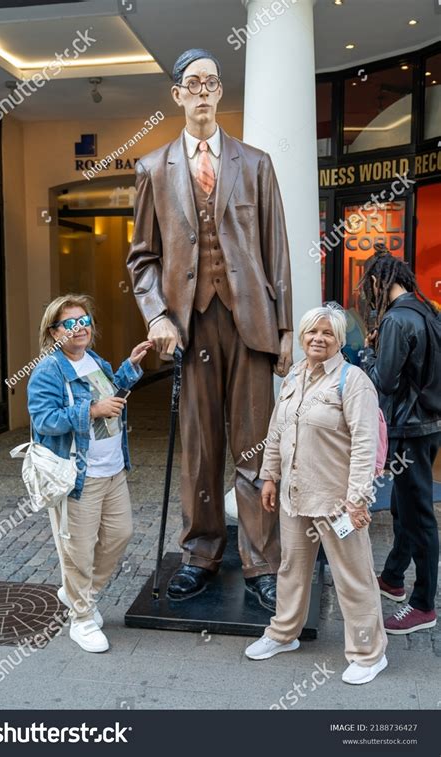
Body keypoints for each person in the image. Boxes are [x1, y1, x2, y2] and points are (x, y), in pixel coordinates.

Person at [127, 48, 293, 610]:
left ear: (221, 93)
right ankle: (200, 554)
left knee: (255, 448)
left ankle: (262, 562)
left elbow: (278, 252)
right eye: (192, 83)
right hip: (189, 325)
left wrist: (287, 328)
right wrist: (156, 315)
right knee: (200, 449)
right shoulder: (152, 168)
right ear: (176, 95)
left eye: (211, 82)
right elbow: (142, 259)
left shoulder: (256, 163)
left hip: (251, 324)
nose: (202, 91)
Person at [245, 305, 388, 685]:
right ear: (303, 337)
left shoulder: (352, 381)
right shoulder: (294, 375)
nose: (318, 339)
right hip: (295, 496)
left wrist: (357, 499)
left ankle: (368, 653)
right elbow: (277, 430)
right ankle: (283, 633)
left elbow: (363, 443)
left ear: (340, 340)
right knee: (291, 568)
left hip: (337, 502)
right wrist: (269, 475)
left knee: (353, 576)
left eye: (327, 333)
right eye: (311, 332)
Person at [27, 294, 152, 652]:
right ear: (54, 332)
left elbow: (112, 396)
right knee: (77, 550)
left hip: (112, 469)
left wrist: (128, 367)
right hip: (79, 474)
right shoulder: (48, 370)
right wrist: (91, 410)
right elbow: (44, 421)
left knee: (120, 534)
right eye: (69, 323)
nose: (79, 328)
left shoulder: (93, 360)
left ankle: (80, 594)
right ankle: (81, 619)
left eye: (83, 321)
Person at [359, 245, 441, 635]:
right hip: (427, 423)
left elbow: (383, 382)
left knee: (418, 513)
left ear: (379, 281)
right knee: (403, 505)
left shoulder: (396, 321)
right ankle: (393, 576)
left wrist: (368, 354)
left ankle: (424, 604)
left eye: (370, 285)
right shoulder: (425, 310)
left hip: (408, 428)